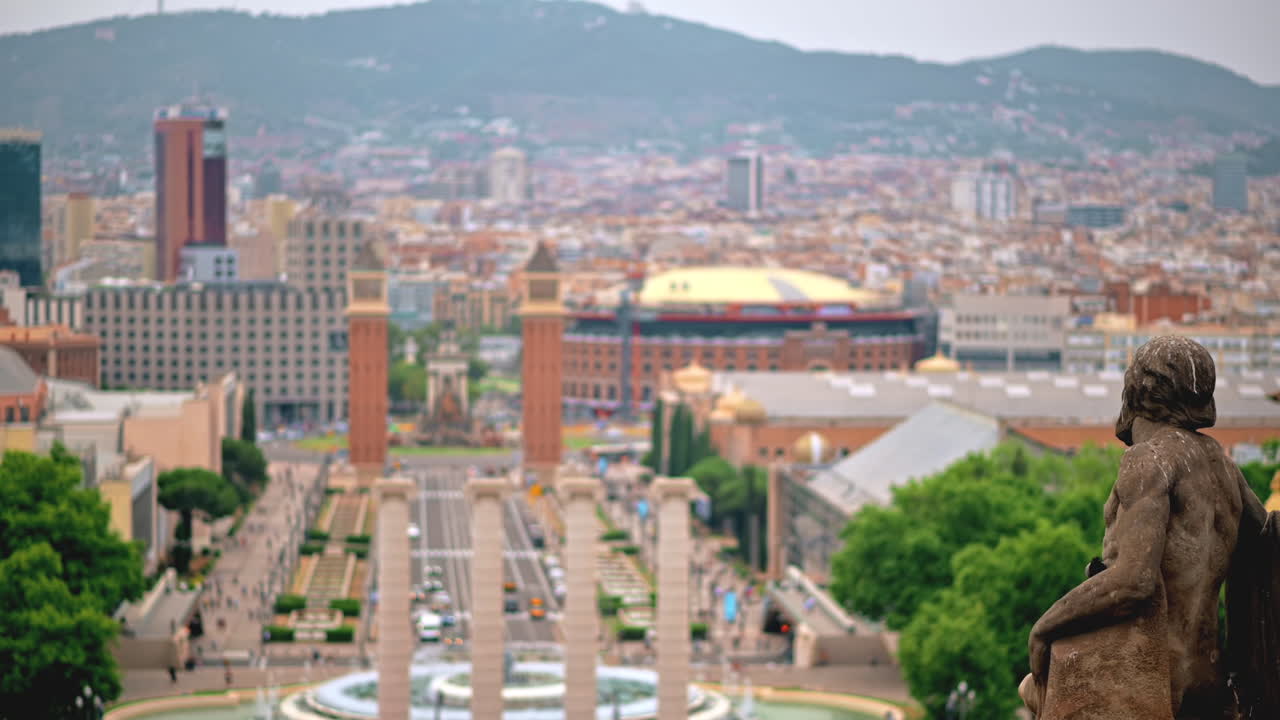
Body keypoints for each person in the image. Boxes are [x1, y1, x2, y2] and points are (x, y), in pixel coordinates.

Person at [1020, 337, 1280, 719]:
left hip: (1149, 676)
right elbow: (1266, 547)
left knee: (1032, 688)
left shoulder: (1149, 459)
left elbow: (1133, 581)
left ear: (1136, 390)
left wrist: (1043, 628)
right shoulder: (1223, 467)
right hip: (1209, 678)